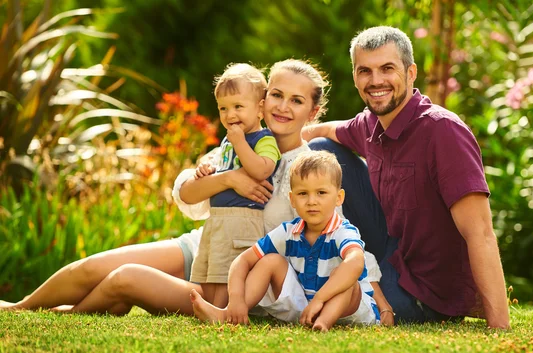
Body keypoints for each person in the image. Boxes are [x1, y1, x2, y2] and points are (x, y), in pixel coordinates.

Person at [1, 59, 394, 325]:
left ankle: (65, 312)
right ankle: (20, 309)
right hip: (203, 244)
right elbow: (186, 193)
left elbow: (337, 232)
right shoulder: (242, 138)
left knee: (123, 280)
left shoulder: (309, 171)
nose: (283, 107)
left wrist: (376, 294)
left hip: (232, 272)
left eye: (297, 101)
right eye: (276, 95)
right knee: (93, 268)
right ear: (262, 98)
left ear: (313, 112)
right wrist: (230, 179)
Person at [304, 26, 510, 329]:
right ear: (355, 78)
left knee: (324, 289)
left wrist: (499, 326)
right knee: (320, 152)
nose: (376, 81)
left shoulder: (442, 131)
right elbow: (321, 131)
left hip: (423, 291)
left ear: (411, 72)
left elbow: (480, 232)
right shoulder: (370, 125)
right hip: (389, 254)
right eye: (365, 71)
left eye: (387, 69)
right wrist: (253, 153)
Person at [190, 151, 379, 332]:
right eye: (303, 194)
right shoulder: (288, 232)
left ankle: (323, 323)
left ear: (338, 198)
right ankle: (228, 314)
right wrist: (237, 299)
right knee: (270, 260)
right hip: (305, 306)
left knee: (347, 280)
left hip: (350, 311)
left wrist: (320, 299)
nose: (311, 201)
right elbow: (243, 261)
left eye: (321, 192)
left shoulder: (342, 232)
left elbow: (356, 261)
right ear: (292, 199)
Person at [189, 63, 280, 308]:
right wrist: (206, 170)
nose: (230, 115)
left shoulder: (264, 139)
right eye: (223, 108)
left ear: (260, 108)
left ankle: (220, 312)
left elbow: (262, 169)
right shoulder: (228, 141)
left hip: (242, 220)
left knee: (224, 277)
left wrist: (239, 143)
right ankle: (211, 307)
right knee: (208, 275)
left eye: (238, 107)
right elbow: (224, 169)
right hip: (218, 219)